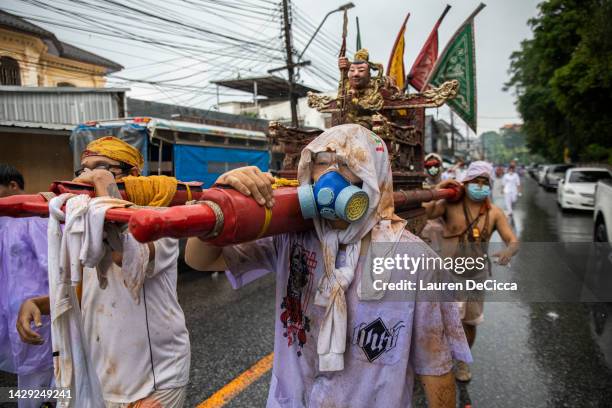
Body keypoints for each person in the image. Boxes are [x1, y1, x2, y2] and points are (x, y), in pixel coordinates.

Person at [186, 124, 471, 408]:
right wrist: (220, 194)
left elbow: (435, 367)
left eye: (348, 164)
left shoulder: (414, 260)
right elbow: (199, 260)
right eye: (321, 162)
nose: (329, 175)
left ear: (373, 177)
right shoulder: (290, 237)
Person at [16, 137, 190, 407]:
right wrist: (36, 303)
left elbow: (126, 253)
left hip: (154, 380)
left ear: (133, 175)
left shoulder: (156, 218)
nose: (88, 176)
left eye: (101, 167)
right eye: (83, 170)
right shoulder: (87, 223)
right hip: (102, 378)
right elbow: (83, 295)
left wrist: (106, 187)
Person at [424, 161, 519, 382]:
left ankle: (463, 361)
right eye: (475, 181)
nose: (479, 185)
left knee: (469, 323)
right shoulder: (448, 205)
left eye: (484, 182)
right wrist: (439, 188)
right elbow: (426, 211)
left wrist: (508, 251)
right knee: (445, 322)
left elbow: (512, 240)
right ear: (465, 183)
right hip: (448, 276)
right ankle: (443, 359)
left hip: (476, 278)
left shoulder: (494, 213)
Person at [1, 164, 55, 408]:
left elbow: (54, 268)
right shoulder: (3, 222)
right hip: (12, 319)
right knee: (27, 387)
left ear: (13, 186)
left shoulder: (35, 219)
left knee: (46, 387)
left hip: (38, 319)